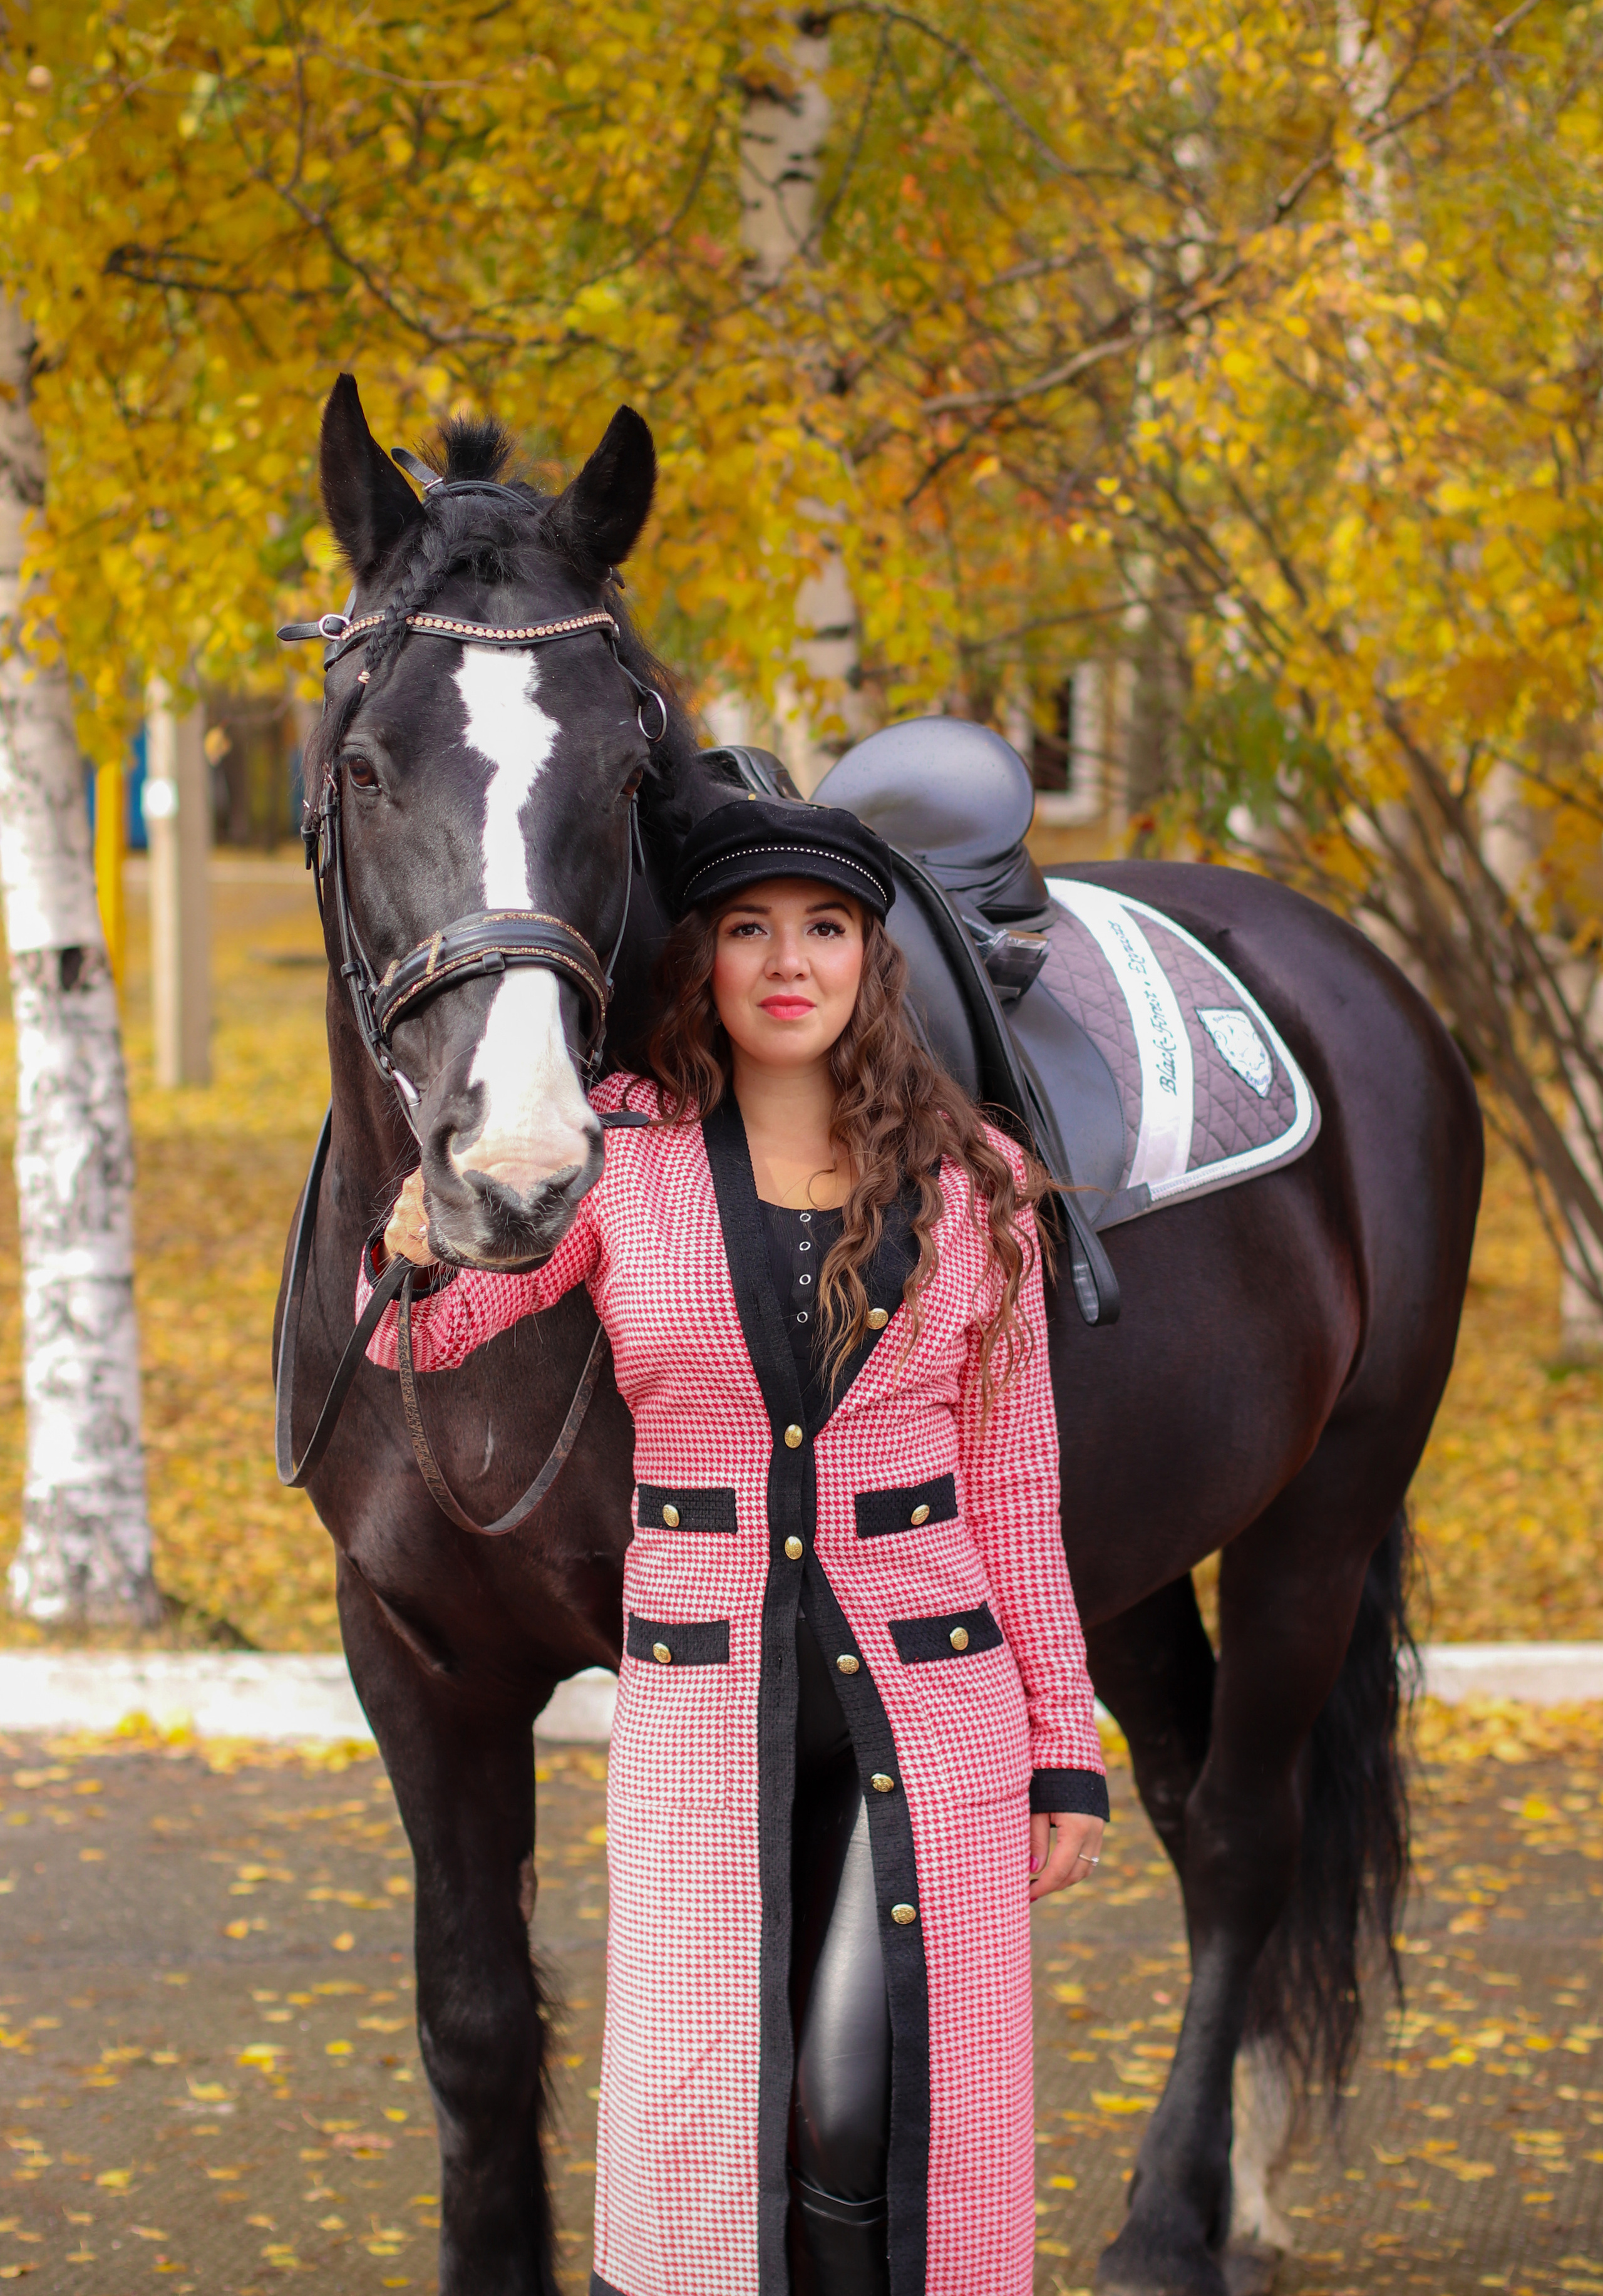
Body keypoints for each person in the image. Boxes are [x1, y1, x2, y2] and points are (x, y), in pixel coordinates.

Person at [362, 799, 1108, 2296]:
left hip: (934, 1714)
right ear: (701, 959)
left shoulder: (977, 1186)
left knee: (863, 2109)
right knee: (715, 2129)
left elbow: (1015, 1493)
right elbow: (426, 1340)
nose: (788, 964)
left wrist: (1062, 1748)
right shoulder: (621, 1157)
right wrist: (412, 1245)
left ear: (868, 959)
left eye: (823, 929)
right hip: (707, 1722)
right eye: (750, 930)